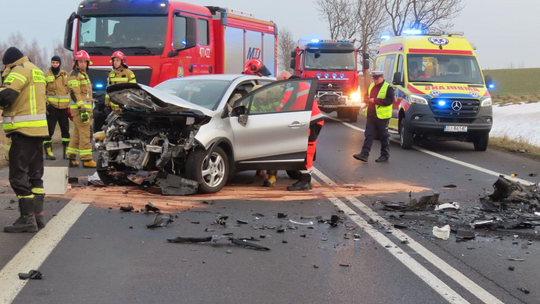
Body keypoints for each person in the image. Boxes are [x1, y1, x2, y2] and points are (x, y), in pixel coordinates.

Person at [1, 47, 49, 232]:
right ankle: (38, 218)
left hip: (24, 131)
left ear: (9, 63)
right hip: (38, 131)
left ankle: (27, 219)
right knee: (35, 175)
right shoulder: (36, 69)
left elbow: (7, 95)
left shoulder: (19, 69)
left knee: (18, 176)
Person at [275, 72, 324, 191]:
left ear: (286, 78)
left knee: (307, 150)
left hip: (310, 120)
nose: (282, 86)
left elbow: (287, 101)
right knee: (306, 149)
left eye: (281, 83)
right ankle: (306, 180)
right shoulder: (303, 83)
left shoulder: (292, 84)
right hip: (312, 119)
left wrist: (276, 112)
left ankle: (304, 181)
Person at [241, 59, 277, 186]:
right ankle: (269, 174)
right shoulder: (246, 88)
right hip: (252, 124)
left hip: (256, 124)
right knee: (270, 148)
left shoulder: (248, 85)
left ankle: (264, 172)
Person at [353, 71, 394, 163]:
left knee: (384, 136)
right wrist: (367, 100)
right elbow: (365, 97)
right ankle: (364, 154)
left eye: (377, 79)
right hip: (371, 115)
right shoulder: (371, 86)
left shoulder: (388, 87)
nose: (375, 81)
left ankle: (384, 155)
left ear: (382, 78)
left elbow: (389, 101)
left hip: (382, 117)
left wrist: (374, 100)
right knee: (369, 135)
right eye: (374, 79)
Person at [66, 50, 96, 168]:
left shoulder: (84, 74)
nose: (83, 64)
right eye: (81, 62)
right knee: (85, 134)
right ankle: (87, 159)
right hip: (81, 110)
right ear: (76, 62)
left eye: (85, 62)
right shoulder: (74, 75)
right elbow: (74, 92)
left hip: (84, 110)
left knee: (77, 135)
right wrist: (82, 108)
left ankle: (71, 157)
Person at [43, 55, 70, 160]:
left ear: (59, 63)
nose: (55, 65)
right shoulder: (45, 75)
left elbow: (70, 89)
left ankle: (66, 151)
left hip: (63, 108)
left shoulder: (65, 75)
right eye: (53, 63)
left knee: (65, 130)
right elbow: (42, 92)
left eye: (56, 63)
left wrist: (69, 105)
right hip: (52, 108)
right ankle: (48, 151)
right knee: (49, 130)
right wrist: (47, 105)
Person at [105, 51, 136, 115]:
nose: (115, 62)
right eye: (114, 61)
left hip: (124, 104)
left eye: (117, 60)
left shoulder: (129, 73)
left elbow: (134, 89)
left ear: (122, 62)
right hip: (113, 105)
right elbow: (109, 88)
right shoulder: (111, 74)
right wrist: (107, 100)